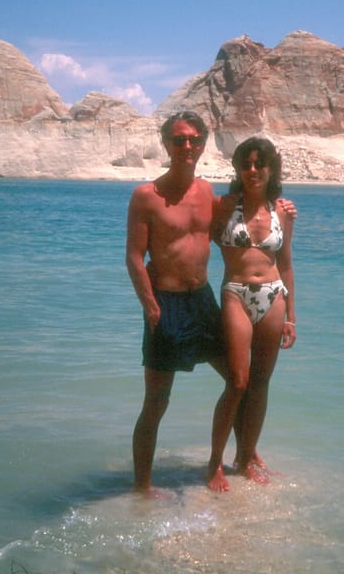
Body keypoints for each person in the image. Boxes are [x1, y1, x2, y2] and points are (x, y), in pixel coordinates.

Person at [125, 112, 294, 495]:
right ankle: (142, 487)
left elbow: (242, 227)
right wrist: (149, 304)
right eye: (179, 140)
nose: (187, 147)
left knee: (240, 381)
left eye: (194, 140)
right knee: (156, 400)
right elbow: (134, 257)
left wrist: (278, 201)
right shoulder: (145, 196)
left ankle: (244, 454)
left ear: (202, 144)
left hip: (202, 302)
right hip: (164, 304)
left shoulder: (208, 193)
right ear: (166, 142)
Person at [206, 137, 296, 492]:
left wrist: (292, 315)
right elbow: (197, 240)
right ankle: (215, 462)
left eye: (260, 164)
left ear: (271, 169)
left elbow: (286, 261)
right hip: (236, 294)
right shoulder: (225, 207)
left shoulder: (283, 212)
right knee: (238, 382)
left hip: (273, 296)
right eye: (246, 164)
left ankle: (245, 459)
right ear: (238, 169)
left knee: (260, 384)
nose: (253, 170)